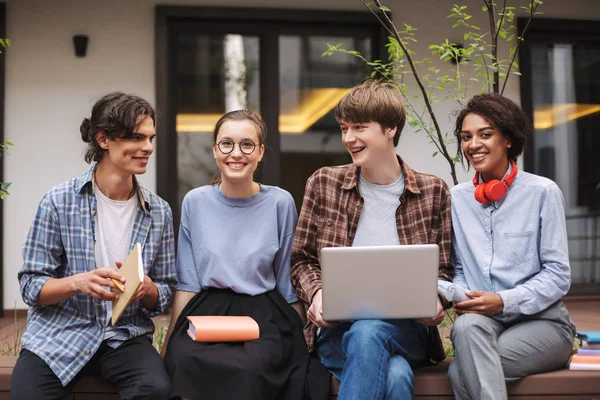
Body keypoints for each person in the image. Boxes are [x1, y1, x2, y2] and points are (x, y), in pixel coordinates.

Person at [290, 79, 453, 400]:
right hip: (337, 330)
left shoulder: (433, 191)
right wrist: (319, 293)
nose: (348, 138)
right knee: (395, 376)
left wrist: (437, 298)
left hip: (408, 330)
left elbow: (445, 270)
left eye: (359, 128)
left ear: (390, 129)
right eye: (343, 128)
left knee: (368, 332)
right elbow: (302, 260)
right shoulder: (324, 183)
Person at [11, 92, 177, 400]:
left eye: (151, 138)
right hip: (58, 334)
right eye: (137, 138)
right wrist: (79, 283)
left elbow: (166, 291)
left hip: (124, 337)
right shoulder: (58, 201)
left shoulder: (159, 212)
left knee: (155, 390)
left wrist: (148, 289)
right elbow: (31, 286)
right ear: (103, 139)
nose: (148, 148)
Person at [163, 110, 310, 400]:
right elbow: (188, 283)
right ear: (216, 149)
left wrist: (304, 340)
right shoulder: (195, 202)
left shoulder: (280, 202)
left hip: (264, 312)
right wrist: (169, 343)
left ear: (260, 152)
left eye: (247, 145)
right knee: (183, 360)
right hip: (206, 309)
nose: (236, 153)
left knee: (250, 369)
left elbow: (286, 282)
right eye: (227, 144)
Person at [448, 93, 576, 400]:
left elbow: (558, 275)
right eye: (466, 137)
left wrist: (504, 301)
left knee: (460, 371)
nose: (473, 144)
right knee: (465, 330)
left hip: (543, 324)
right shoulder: (457, 198)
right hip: (482, 326)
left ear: (508, 139)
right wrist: (460, 293)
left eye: (485, 134)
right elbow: (461, 268)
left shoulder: (542, 192)